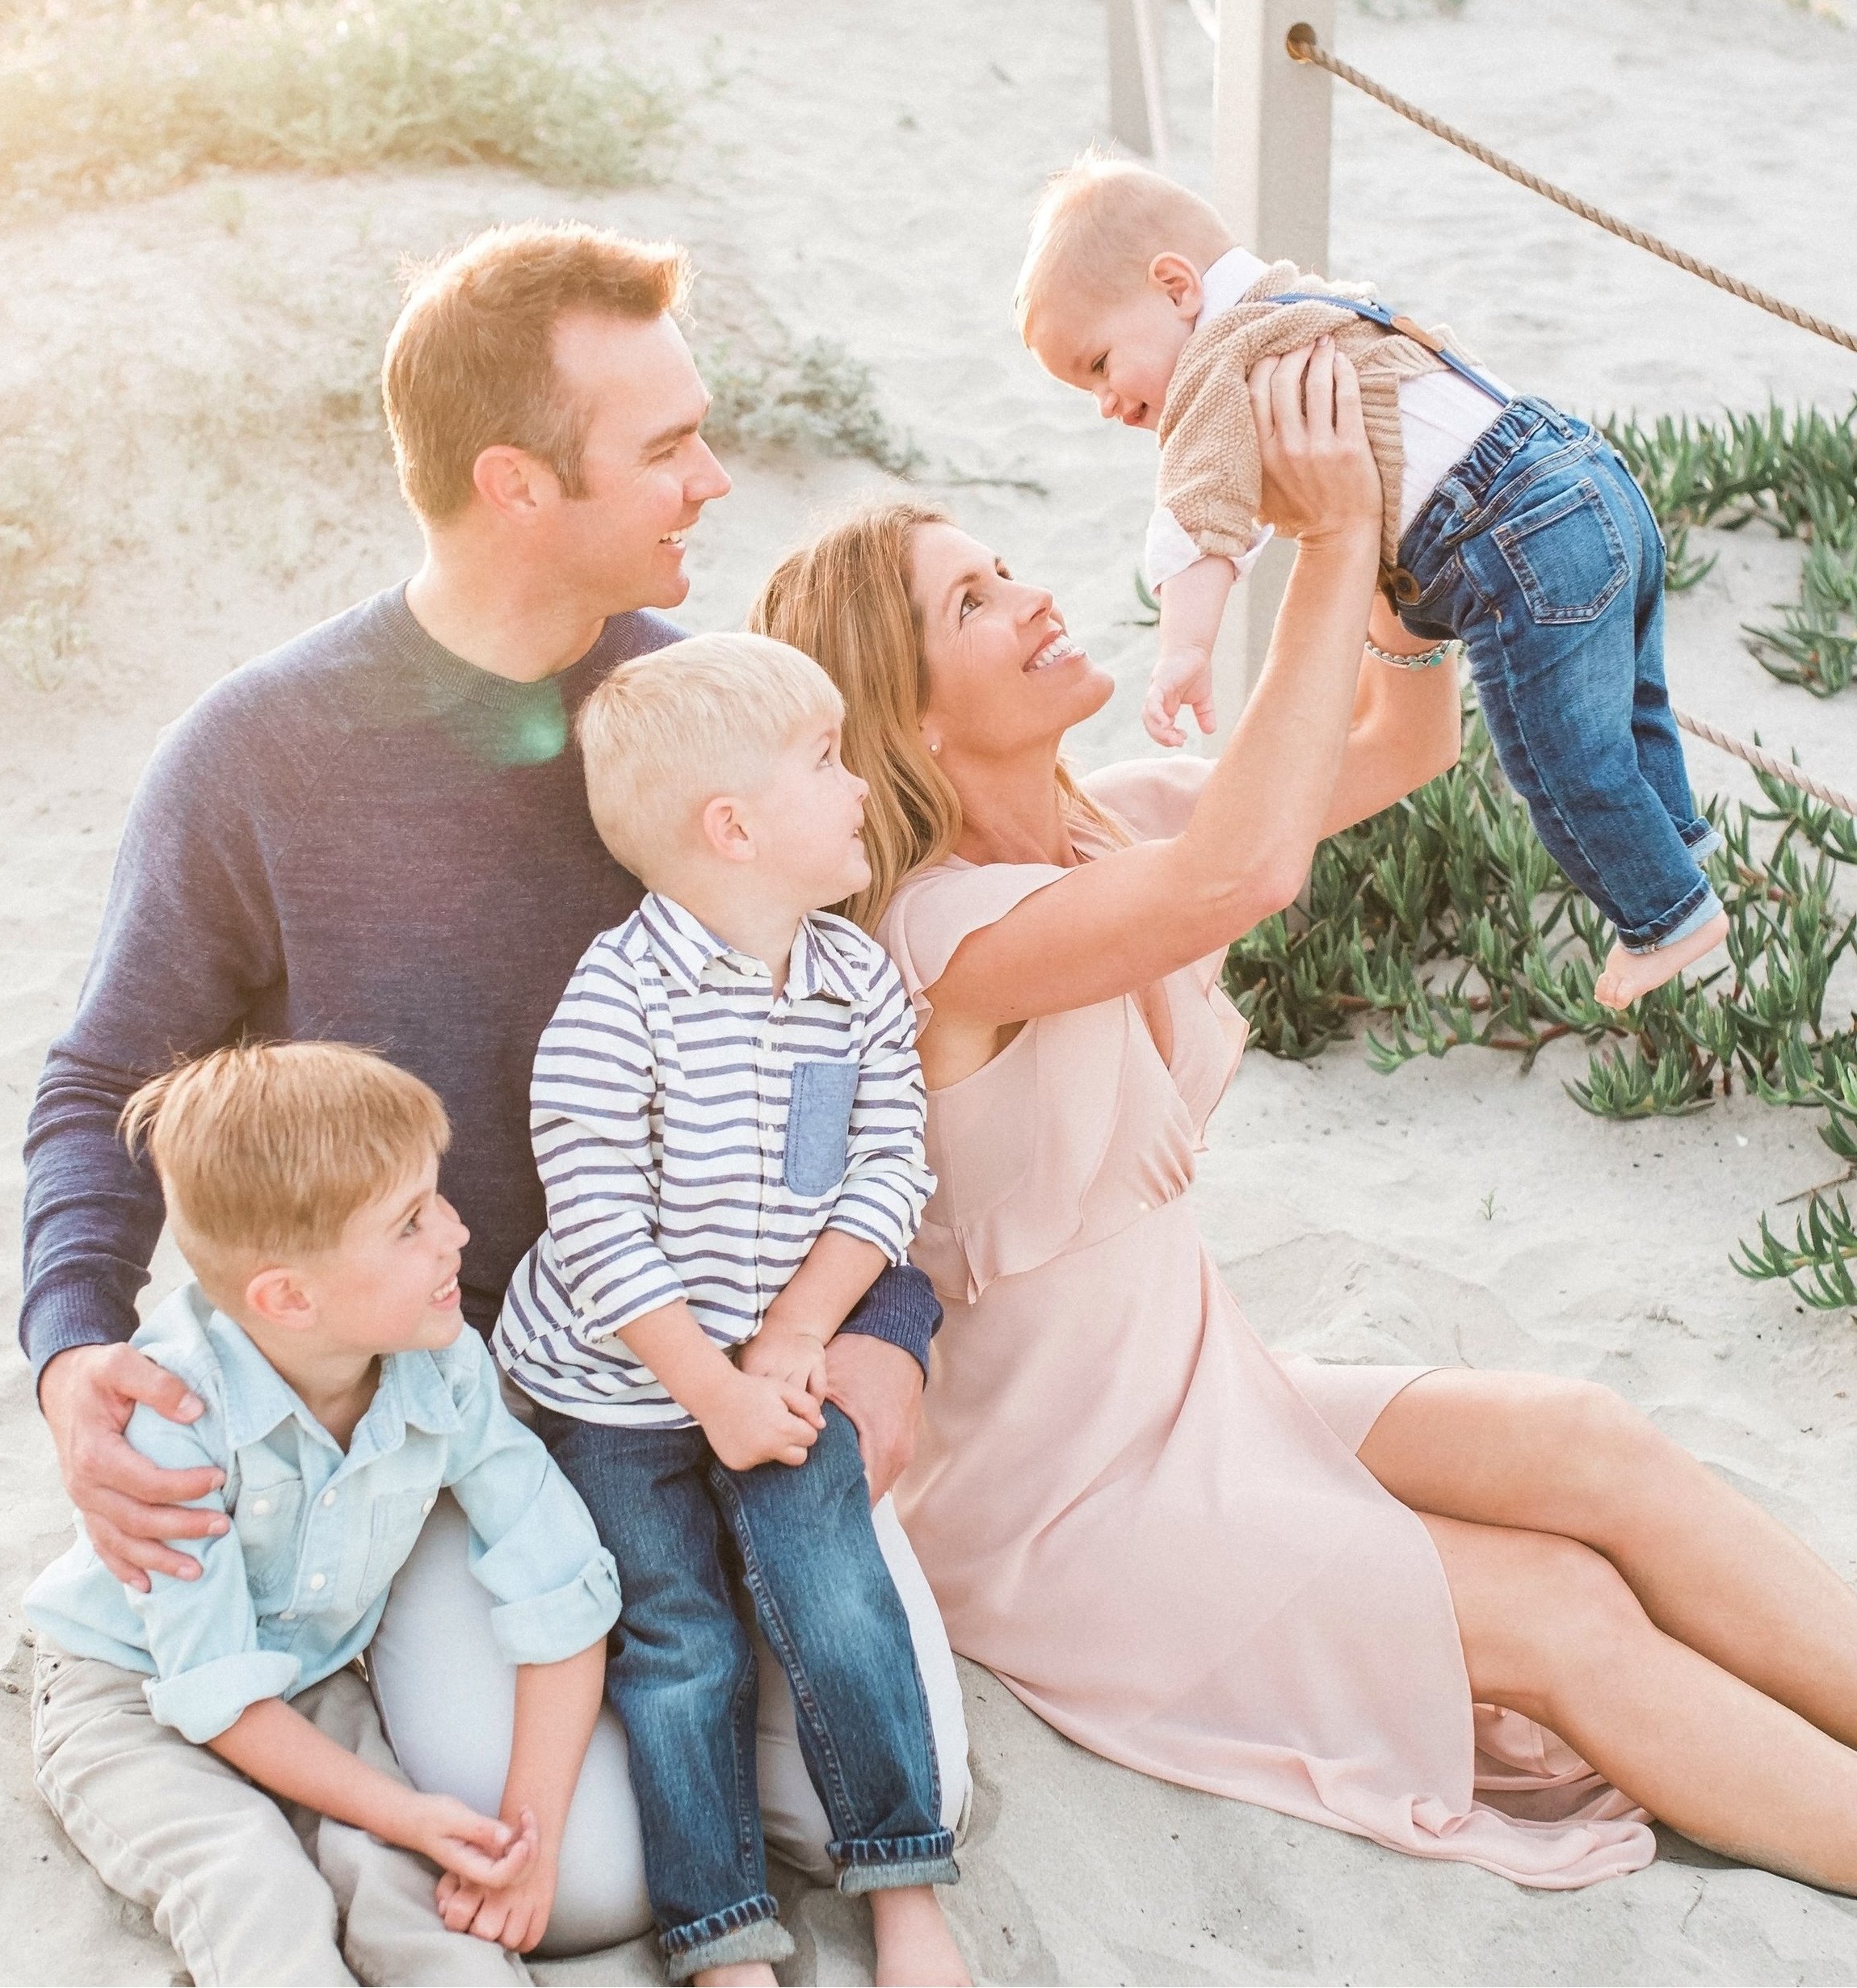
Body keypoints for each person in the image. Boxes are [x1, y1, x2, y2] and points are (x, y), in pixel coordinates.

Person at [750, 338, 1857, 1897]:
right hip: (1072, 1511)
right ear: (907, 719)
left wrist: (1405, 539)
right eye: (974, 605)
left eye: (1005, 569)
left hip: (1209, 1402)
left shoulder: (1109, 820)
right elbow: (1246, 872)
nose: (1034, 599)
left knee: (1587, 1442)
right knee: (1556, 1611)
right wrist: (1325, 540)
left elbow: (1407, 746)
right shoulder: (943, 939)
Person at [17, 219, 968, 1955]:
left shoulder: (699, 732)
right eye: (666, 447)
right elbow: (103, 1081)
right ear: (516, 481)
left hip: (732, 1383)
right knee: (596, 1883)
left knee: (898, 1803)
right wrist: (75, 1343)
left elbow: (846, 1066)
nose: (714, 478)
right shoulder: (255, 753)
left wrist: (880, 1324)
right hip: (448, 1421)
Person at [498, 634, 967, 1987]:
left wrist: (799, 1338)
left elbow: (890, 1169)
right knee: (682, 1640)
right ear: (734, 827)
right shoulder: (616, 1004)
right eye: (827, 761)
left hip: (784, 1358)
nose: (862, 785)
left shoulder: (852, 982)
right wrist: (710, 1390)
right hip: (618, 1388)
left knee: (837, 1598)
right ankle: (720, 1938)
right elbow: (595, 1230)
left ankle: (902, 1890)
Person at [1015, 152, 1724, 1011]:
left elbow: (1200, 521)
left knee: (1556, 753)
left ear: (1174, 287)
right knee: (1631, 704)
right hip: (1586, 476)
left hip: (1508, 535)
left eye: (1096, 365)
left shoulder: (1214, 366)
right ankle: (1677, 847)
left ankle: (1663, 912)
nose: (1104, 403)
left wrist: (1184, 648)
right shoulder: (1316, 302)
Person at [24, 1042, 619, 1983]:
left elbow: (559, 1586)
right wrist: (400, 1805)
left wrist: (527, 1832)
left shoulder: (443, 1367)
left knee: (411, 1890)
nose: (455, 1234)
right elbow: (216, 1691)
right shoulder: (177, 1418)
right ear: (288, 1297)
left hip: (312, 1670)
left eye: (439, 1198)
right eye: (411, 1222)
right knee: (250, 1878)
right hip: (132, 1689)